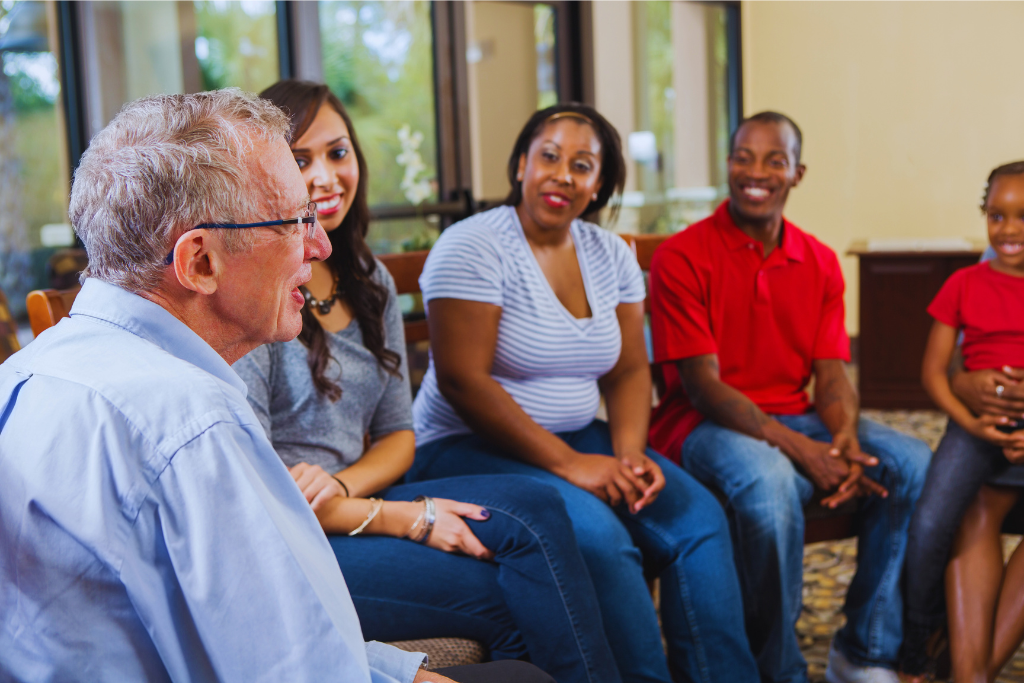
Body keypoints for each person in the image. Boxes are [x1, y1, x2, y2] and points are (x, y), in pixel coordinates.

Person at [0, 89, 551, 683]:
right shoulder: (193, 424)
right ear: (201, 262)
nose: (321, 245)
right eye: (295, 222)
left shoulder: (26, 372)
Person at [233, 80, 619, 683]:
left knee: (537, 507)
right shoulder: (252, 294)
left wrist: (341, 484)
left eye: (338, 152)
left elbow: (398, 435)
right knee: (508, 590)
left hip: (357, 493)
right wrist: (407, 516)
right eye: (299, 159)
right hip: (292, 543)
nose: (326, 176)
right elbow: (255, 494)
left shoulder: (368, 278)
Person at [406, 103, 759, 683]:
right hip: (464, 446)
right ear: (521, 164)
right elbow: (463, 382)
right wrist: (571, 465)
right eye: (549, 156)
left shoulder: (610, 253)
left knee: (698, 519)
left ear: (600, 184)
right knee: (600, 538)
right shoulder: (472, 245)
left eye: (583, 165)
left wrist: (627, 455)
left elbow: (625, 371)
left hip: (577, 439)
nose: (563, 175)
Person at [647, 111, 931, 683]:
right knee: (768, 481)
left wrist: (845, 437)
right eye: (743, 157)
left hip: (794, 415)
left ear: (797, 173)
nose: (756, 172)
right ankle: (778, 670)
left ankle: (865, 651)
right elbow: (702, 387)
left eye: (774, 160)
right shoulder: (681, 256)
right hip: (698, 425)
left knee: (909, 462)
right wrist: (801, 451)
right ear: (728, 166)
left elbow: (830, 376)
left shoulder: (821, 261)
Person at [900, 161, 1024, 683]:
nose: (1010, 229)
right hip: (972, 427)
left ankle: (964, 667)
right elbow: (933, 372)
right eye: (997, 216)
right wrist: (969, 423)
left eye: (1023, 217)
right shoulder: (965, 282)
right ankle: (923, 637)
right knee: (929, 520)